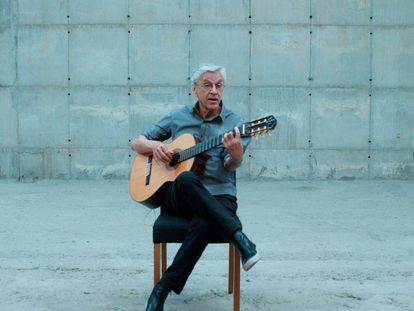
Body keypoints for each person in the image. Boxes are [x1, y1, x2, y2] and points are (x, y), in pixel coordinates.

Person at [130, 64, 260, 311]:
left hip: (220, 195)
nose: (214, 91)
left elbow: (230, 166)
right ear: (195, 89)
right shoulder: (178, 116)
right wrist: (153, 146)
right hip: (179, 195)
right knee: (187, 179)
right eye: (207, 85)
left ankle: (161, 290)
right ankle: (238, 237)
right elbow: (137, 141)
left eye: (219, 85)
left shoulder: (236, 124)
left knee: (203, 223)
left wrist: (237, 156)